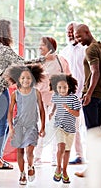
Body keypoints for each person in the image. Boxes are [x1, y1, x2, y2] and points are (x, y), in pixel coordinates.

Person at [0, 19, 44, 169]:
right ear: (6, 33)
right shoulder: (5, 50)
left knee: (1, 125)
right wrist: (43, 59)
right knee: (2, 126)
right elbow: (23, 63)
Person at [73, 24, 101, 177]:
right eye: (76, 36)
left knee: (92, 133)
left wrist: (88, 94)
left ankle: (93, 169)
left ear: (87, 32)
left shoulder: (91, 49)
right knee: (97, 132)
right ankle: (99, 168)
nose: (77, 39)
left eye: (79, 35)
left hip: (93, 96)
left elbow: (96, 72)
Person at [5, 64, 46, 185]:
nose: (25, 80)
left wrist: (43, 127)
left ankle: (31, 166)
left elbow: (42, 110)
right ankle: (22, 174)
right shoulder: (15, 94)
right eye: (23, 78)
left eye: (28, 78)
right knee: (20, 151)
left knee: (29, 152)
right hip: (19, 126)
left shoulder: (36, 93)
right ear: (18, 79)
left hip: (32, 126)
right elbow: (10, 112)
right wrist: (11, 128)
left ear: (32, 79)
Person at [34, 36, 71, 166]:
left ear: (49, 46)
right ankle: (37, 157)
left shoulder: (61, 60)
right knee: (40, 126)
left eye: (42, 45)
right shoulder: (39, 62)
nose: (39, 47)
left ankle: (56, 158)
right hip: (41, 98)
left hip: (57, 99)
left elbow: (68, 77)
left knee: (57, 128)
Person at [60, 22, 86, 165]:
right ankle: (79, 155)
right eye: (67, 32)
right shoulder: (64, 52)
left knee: (86, 126)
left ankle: (88, 155)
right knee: (73, 126)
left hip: (85, 93)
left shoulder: (85, 50)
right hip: (70, 95)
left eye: (72, 31)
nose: (70, 34)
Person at [49, 74, 81, 184]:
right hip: (59, 126)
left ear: (69, 87)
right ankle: (58, 168)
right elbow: (55, 105)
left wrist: (68, 109)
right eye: (59, 87)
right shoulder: (56, 96)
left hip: (71, 129)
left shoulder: (74, 98)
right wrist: (52, 112)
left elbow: (77, 114)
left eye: (64, 87)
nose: (62, 90)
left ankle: (65, 171)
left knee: (67, 151)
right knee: (61, 147)